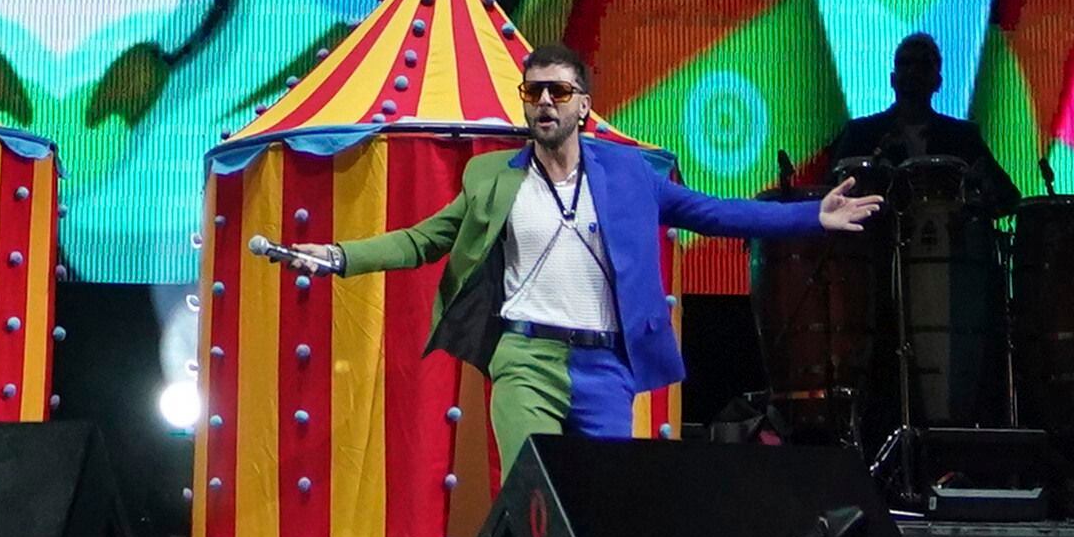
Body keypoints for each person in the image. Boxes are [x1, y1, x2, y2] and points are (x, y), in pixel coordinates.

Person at [286, 43, 881, 487]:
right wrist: (339, 255)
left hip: (605, 366)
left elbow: (715, 214)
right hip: (524, 362)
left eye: (559, 92)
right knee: (535, 499)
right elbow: (423, 240)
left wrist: (810, 218)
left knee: (604, 500)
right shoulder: (493, 177)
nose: (544, 102)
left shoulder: (630, 176)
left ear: (583, 106)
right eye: (533, 92)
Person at [807, 31, 1019, 199]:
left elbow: (1008, 197)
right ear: (893, 79)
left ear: (938, 81)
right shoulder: (860, 133)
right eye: (905, 64)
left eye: (923, 65)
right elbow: (828, 192)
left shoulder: (963, 136)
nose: (912, 72)